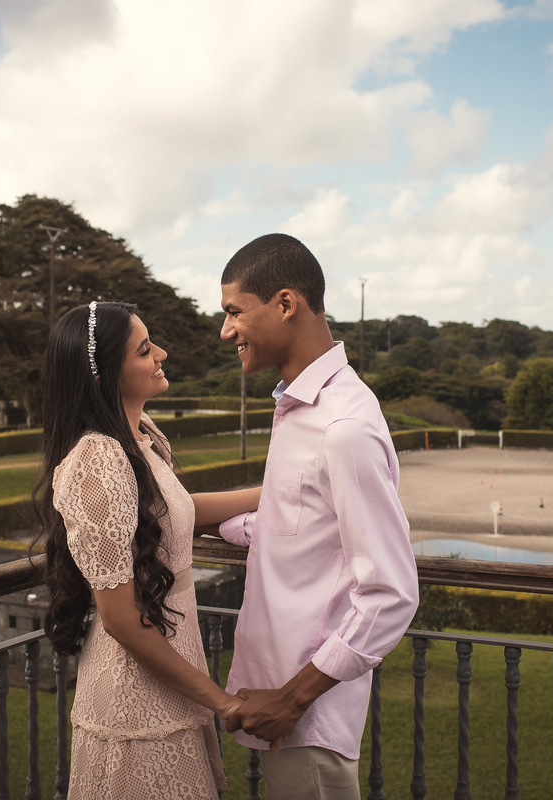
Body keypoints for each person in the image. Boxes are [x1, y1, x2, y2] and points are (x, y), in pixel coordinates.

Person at [32, 300, 261, 799]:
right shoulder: (97, 459)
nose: (161, 352)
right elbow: (119, 618)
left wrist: (278, 492)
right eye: (143, 349)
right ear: (106, 376)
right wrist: (222, 702)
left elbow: (173, 509)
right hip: (133, 693)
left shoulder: (141, 436)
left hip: (173, 666)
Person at [218, 234, 419, 799]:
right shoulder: (302, 409)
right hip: (281, 700)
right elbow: (296, 528)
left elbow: (390, 593)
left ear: (285, 304)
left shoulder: (343, 426)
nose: (226, 330)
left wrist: (292, 697)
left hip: (305, 714)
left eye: (235, 311)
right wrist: (197, 520)